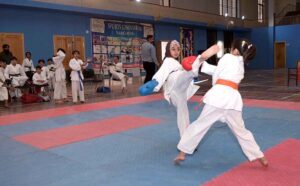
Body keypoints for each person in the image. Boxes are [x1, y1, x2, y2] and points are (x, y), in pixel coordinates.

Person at [174, 39, 268, 167]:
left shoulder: (227, 57)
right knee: (241, 131)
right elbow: (221, 71)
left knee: (200, 125)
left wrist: (201, 62)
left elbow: (218, 74)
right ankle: (260, 156)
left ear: (234, 49)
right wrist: (204, 65)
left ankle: (182, 153)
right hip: (233, 101)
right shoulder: (240, 65)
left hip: (218, 99)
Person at [139, 40, 219, 138]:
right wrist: (154, 83)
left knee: (183, 116)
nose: (176, 51)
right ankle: (199, 60)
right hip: (174, 83)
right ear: (168, 50)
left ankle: (185, 139)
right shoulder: (168, 61)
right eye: (173, 49)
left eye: (178, 49)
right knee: (188, 71)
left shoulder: (178, 64)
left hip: (179, 92)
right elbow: (162, 72)